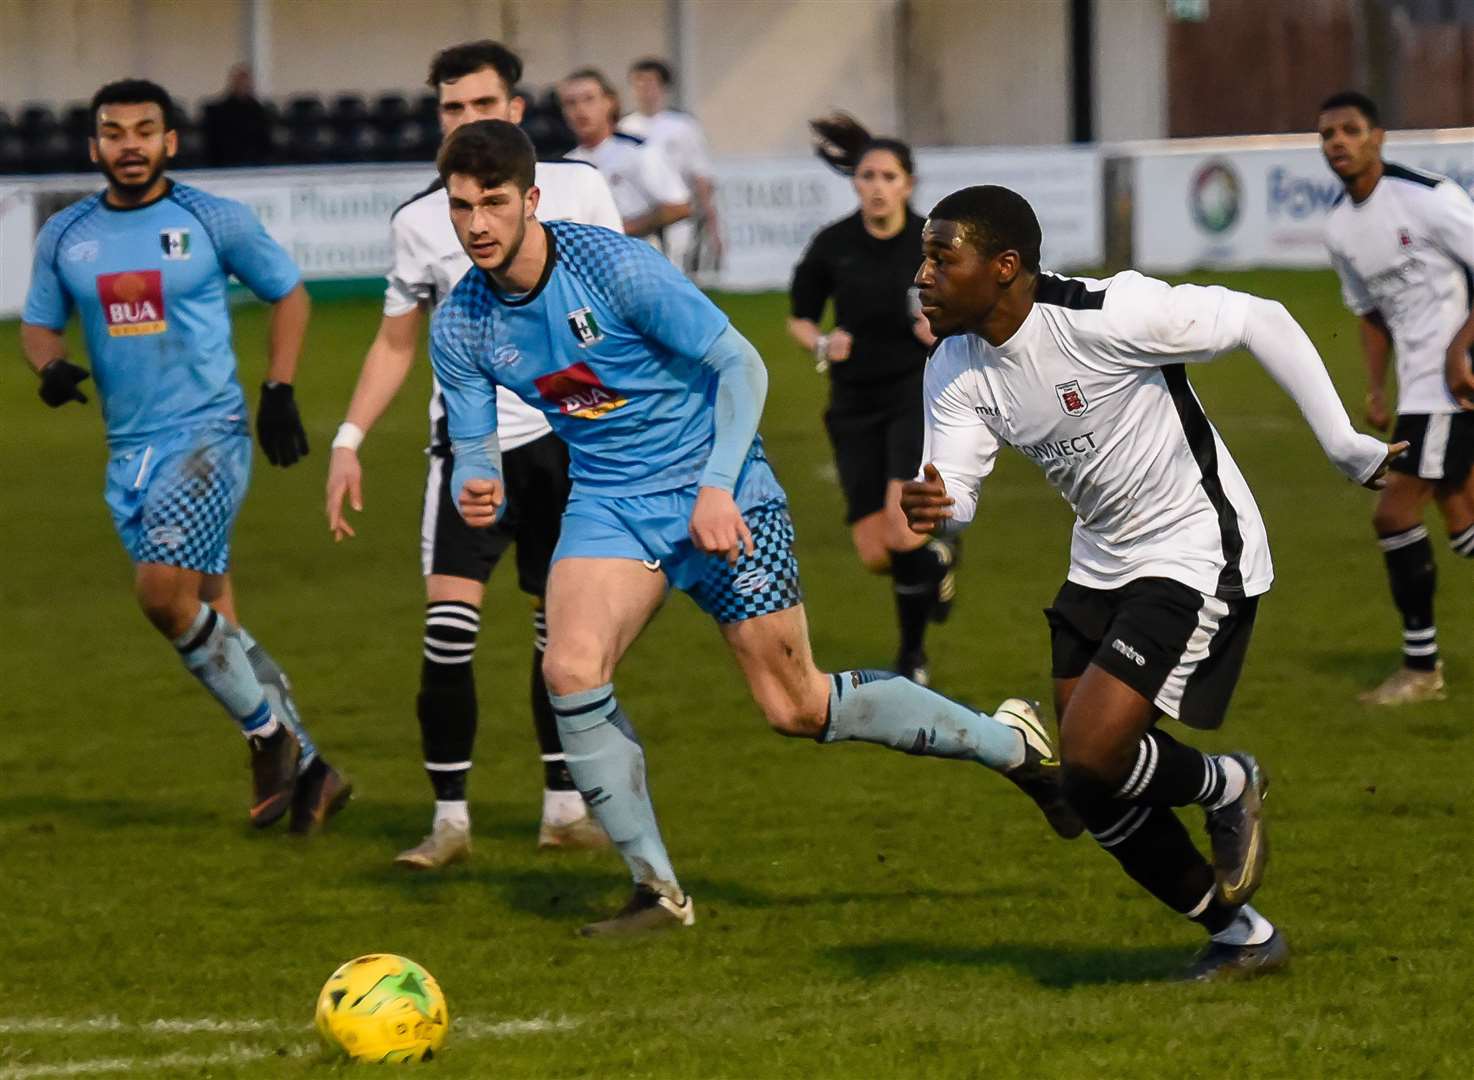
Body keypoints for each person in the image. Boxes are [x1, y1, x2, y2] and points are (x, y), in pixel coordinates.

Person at [428, 120, 1083, 939]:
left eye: (494, 203)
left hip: (725, 486)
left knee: (795, 707)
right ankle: (656, 890)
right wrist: (479, 481)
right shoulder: (462, 323)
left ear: (530, 199)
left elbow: (742, 363)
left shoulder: (612, 265)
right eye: (461, 207)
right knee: (569, 669)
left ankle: (1009, 744)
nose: (478, 224)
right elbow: (475, 443)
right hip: (610, 501)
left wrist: (714, 487)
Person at [901, 185, 1403, 981]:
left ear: (1004, 268)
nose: (922, 275)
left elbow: (1260, 317)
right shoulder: (956, 366)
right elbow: (957, 483)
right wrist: (940, 504)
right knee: (1093, 790)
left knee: (1094, 756)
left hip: (1195, 547)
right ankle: (1243, 937)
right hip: (1100, 561)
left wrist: (1342, 443)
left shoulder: (1109, 312)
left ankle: (1227, 782)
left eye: (940, 257)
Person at [324, 40, 624, 870]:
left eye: (482, 106)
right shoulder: (421, 221)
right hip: (467, 449)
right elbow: (393, 345)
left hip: (570, 443)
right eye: (452, 109)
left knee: (554, 633)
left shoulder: (579, 189)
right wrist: (348, 441)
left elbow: (624, 298)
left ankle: (563, 808)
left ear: (517, 111)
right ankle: (449, 823)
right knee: (449, 633)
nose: (467, 121)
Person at [20, 79, 349, 834]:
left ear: (170, 141)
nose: (129, 144)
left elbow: (289, 294)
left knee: (161, 595)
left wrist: (279, 390)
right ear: (95, 144)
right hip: (129, 451)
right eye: (113, 132)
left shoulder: (212, 218)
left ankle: (268, 739)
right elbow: (39, 324)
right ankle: (314, 772)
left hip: (207, 435)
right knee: (213, 616)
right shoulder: (67, 233)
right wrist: (51, 368)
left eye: (145, 130)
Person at [1318, 90, 1474, 705]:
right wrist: (1376, 390)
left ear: (1378, 137)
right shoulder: (1338, 228)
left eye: (1351, 130)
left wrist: (1460, 350)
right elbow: (1370, 313)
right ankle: (1422, 671)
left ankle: (1420, 671)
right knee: (1462, 518)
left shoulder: (1426, 196)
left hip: (1453, 381)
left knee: (1395, 513)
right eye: (1327, 134)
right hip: (1418, 387)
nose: (1338, 142)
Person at [787, 114, 954, 685]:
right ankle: (937, 559)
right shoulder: (834, 245)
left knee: (902, 527)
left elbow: (972, 310)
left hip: (916, 392)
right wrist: (824, 343)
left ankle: (913, 657)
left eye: (888, 176)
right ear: (854, 183)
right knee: (876, 554)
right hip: (853, 402)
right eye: (867, 176)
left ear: (908, 184)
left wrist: (943, 328)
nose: (876, 186)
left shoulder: (933, 241)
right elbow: (799, 320)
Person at [559, 68, 691, 261]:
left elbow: (678, 206)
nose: (580, 110)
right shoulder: (567, 163)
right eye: (570, 103)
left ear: (609, 102)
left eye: (589, 99)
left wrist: (617, 229)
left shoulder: (637, 151)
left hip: (640, 262)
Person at [619, 58, 721, 275]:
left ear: (663, 87)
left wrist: (710, 219)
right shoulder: (624, 128)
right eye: (639, 83)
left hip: (677, 212)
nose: (644, 90)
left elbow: (700, 173)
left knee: (676, 269)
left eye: (650, 82)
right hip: (639, 216)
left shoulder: (682, 126)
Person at [202, 63, 272, 167]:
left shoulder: (258, 109)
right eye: (239, 81)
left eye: (245, 81)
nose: (243, 85)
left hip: (255, 160)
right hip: (226, 159)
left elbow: (263, 138)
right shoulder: (220, 110)